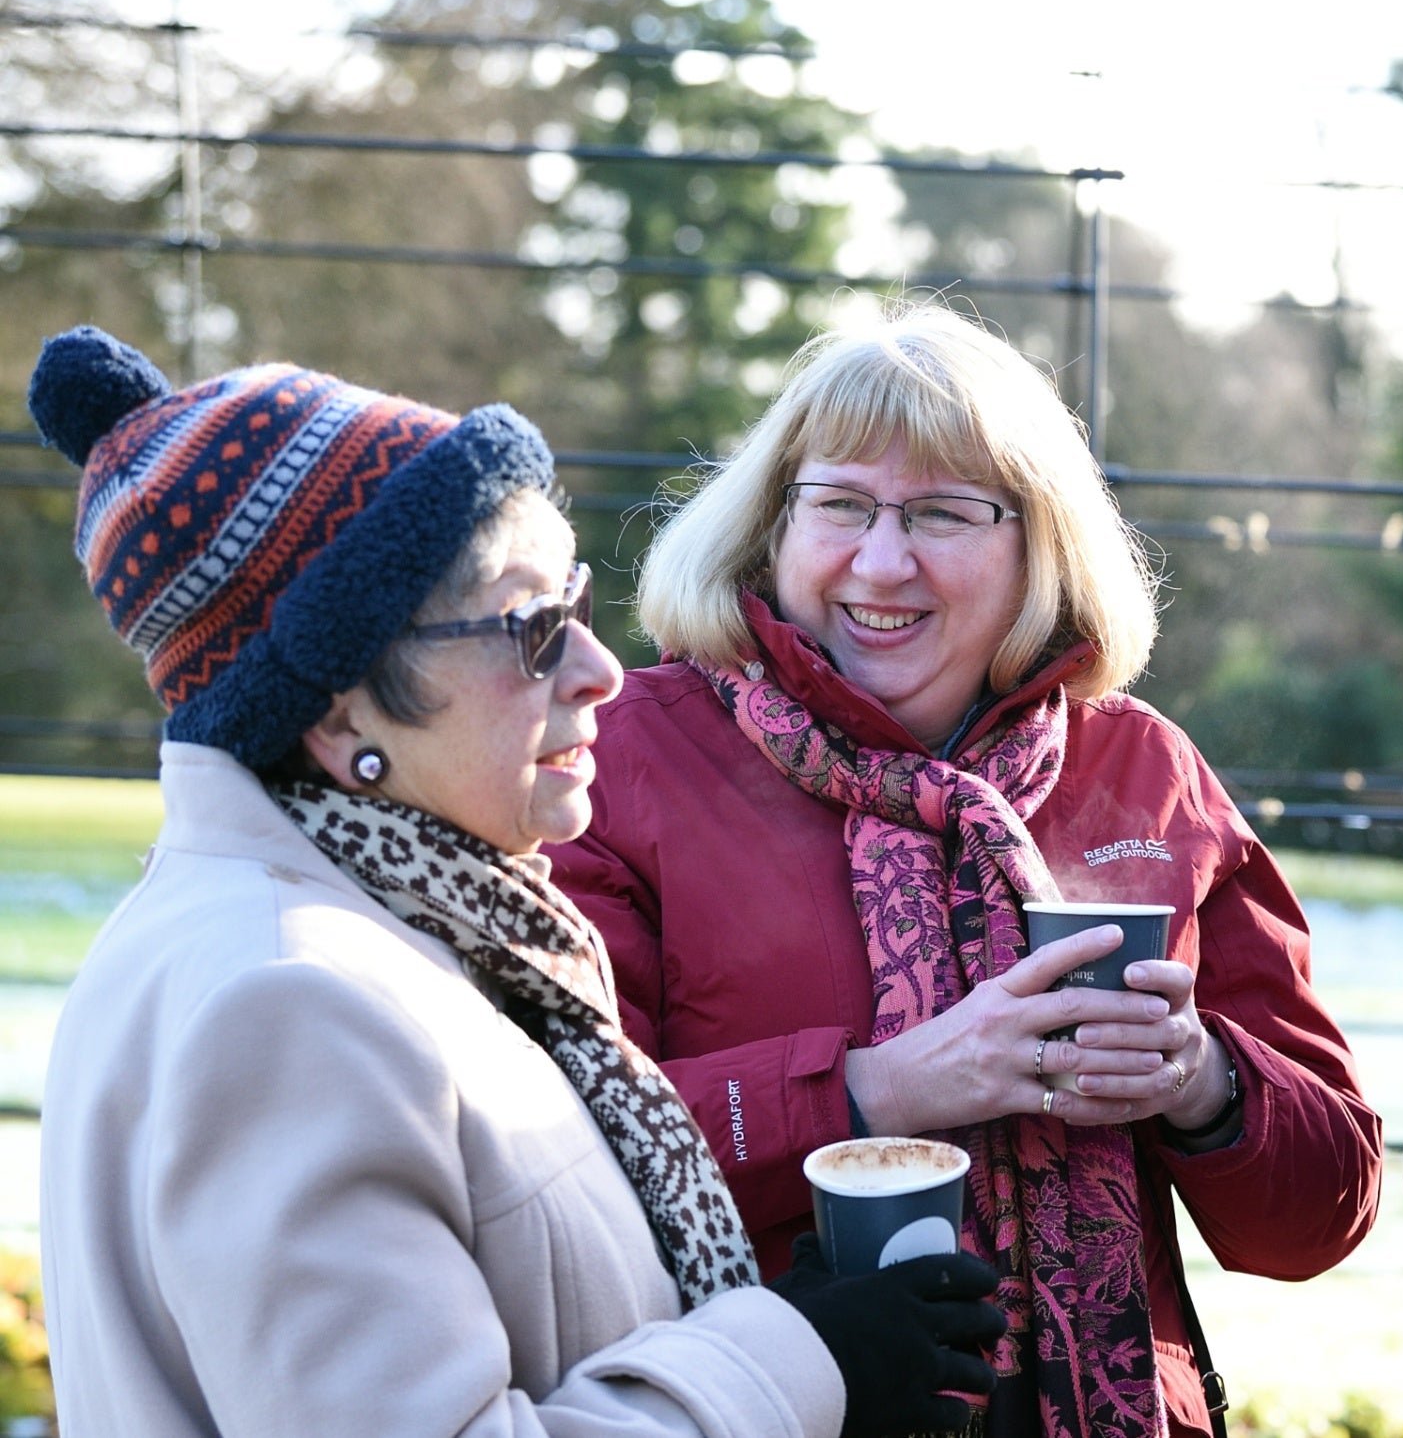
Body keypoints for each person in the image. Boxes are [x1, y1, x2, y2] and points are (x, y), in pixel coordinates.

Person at [27, 327, 1000, 1438]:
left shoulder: (403, 929)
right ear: (339, 704)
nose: (601, 668)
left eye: (576, 603)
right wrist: (802, 1358)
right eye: (533, 628)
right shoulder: (292, 1002)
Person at [547, 305, 1381, 1438]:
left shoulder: (1141, 766)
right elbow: (557, 1162)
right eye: (839, 502)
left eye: (944, 511)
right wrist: (878, 1090)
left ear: (1041, 544)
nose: (882, 560)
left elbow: (1323, 1212)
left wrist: (1200, 1080)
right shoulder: (625, 755)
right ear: (771, 520)